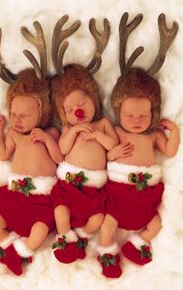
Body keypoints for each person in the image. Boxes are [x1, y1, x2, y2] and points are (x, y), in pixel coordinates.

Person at [97, 68, 180, 278]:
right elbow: (103, 154)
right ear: (118, 112)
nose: (137, 120)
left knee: (156, 224)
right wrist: (113, 152)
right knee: (107, 227)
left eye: (143, 115)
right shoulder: (117, 132)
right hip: (119, 194)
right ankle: (107, 253)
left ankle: (137, 243)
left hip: (145, 196)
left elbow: (170, 151)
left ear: (153, 113)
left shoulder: (153, 135)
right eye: (129, 115)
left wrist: (175, 132)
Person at [0, 68, 63, 275]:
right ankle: (8, 243)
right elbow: (3, 155)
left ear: (42, 113)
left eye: (24, 115)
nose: (16, 119)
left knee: (40, 231)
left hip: (40, 201)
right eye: (13, 114)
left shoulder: (52, 132)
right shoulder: (13, 134)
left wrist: (47, 140)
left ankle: (23, 251)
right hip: (15, 197)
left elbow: (60, 160)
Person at [50, 64, 118, 264]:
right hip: (68, 186)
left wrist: (98, 136)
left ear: (93, 100)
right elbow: (62, 149)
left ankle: (82, 235)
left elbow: (113, 144)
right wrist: (73, 132)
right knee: (60, 211)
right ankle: (64, 238)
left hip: (92, 191)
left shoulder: (102, 124)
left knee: (97, 218)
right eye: (69, 110)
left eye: (81, 103)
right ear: (63, 114)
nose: (77, 111)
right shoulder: (67, 128)